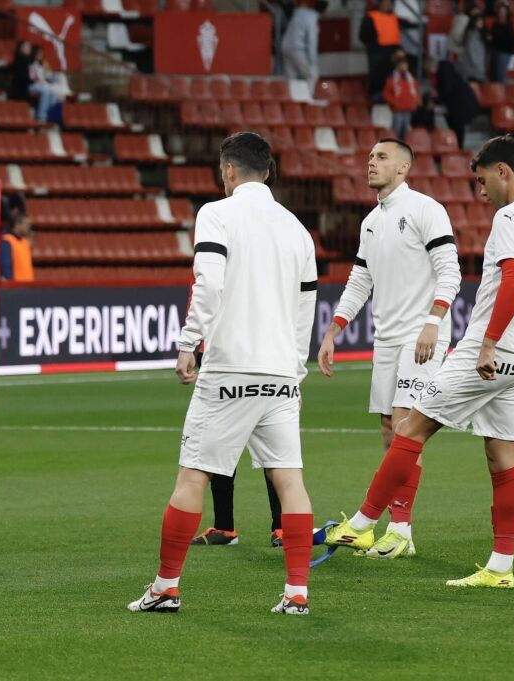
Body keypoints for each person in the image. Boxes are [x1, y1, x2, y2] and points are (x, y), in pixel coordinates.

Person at [322, 135, 514, 589]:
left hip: (487, 352)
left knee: (410, 429)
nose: (480, 190)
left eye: (482, 180)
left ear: (502, 171)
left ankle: (362, 523)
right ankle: (500, 568)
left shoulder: (511, 216)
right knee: (502, 457)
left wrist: (490, 343)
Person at [125, 132, 318, 616]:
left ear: (229, 171)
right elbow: (306, 308)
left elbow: (208, 283)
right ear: (267, 172)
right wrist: (295, 369)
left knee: (193, 475)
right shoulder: (298, 228)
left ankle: (166, 587)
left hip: (230, 367)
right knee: (289, 479)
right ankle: (297, 592)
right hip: (281, 372)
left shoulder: (216, 213)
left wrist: (189, 341)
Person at [311, 138, 461, 558]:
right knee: (388, 430)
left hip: (421, 336)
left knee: (403, 425)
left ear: (403, 168)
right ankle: (400, 530)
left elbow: (450, 271)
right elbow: (360, 280)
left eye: (381, 157)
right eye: (370, 156)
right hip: (388, 338)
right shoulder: (372, 221)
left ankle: (398, 529)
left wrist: (433, 322)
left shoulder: (426, 209)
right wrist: (333, 331)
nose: (371, 162)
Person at [361, 0, 402, 97]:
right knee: (377, 76)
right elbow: (363, 36)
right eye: (385, 3)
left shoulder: (393, 17)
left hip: (392, 52)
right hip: (377, 52)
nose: (387, 6)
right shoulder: (371, 17)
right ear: (379, 4)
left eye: (389, 4)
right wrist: (375, 46)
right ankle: (376, 97)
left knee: (391, 76)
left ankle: (389, 96)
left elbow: (395, 35)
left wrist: (397, 49)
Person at [383, 51, 420, 140]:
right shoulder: (392, 79)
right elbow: (386, 94)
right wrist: (395, 102)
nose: (404, 66)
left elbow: (416, 92)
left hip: (408, 109)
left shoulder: (411, 79)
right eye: (402, 64)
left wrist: (415, 102)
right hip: (398, 110)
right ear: (398, 66)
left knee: (405, 133)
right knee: (396, 132)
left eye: (405, 64)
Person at [281, 0, 321, 81]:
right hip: (298, 50)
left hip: (285, 49)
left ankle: (295, 90)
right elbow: (312, 41)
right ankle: (309, 90)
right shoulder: (312, 16)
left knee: (292, 80)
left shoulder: (297, 13)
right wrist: (312, 62)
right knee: (312, 74)